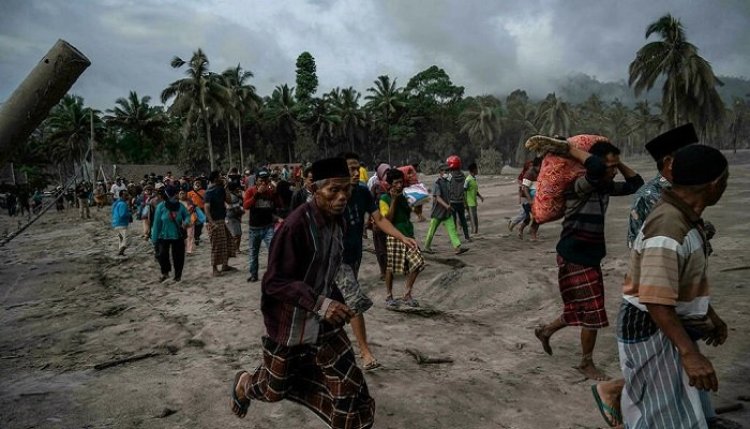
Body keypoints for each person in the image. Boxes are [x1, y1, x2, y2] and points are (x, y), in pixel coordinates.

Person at [230, 157, 375, 428]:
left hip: (323, 322)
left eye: (347, 189)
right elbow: (274, 282)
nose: (342, 197)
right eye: (334, 190)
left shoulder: (338, 222)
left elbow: (332, 266)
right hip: (290, 322)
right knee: (274, 388)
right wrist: (321, 303)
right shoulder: (295, 226)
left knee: (349, 386)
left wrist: (343, 299)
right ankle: (244, 384)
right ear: (315, 189)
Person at [618, 145, 732, 429]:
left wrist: (709, 314)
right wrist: (689, 353)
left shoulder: (683, 218)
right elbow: (655, 299)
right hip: (652, 324)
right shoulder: (669, 228)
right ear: (715, 184)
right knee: (661, 414)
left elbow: (677, 280)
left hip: (666, 321)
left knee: (673, 404)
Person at [534, 139, 643, 380]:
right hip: (574, 253)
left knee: (579, 308)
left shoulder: (604, 186)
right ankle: (586, 363)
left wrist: (616, 162)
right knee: (593, 311)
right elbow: (593, 169)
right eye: (610, 166)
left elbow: (636, 184)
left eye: (616, 167)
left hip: (589, 254)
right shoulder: (579, 185)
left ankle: (545, 331)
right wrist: (570, 150)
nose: (613, 171)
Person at [339, 152, 418, 370]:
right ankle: (365, 352)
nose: (356, 173)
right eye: (350, 169)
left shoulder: (363, 192)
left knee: (339, 302)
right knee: (354, 300)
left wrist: (402, 237)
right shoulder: (332, 194)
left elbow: (379, 219)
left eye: (357, 168)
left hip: (354, 256)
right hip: (335, 259)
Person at [380, 168, 426, 308]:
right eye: (396, 183)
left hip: (408, 234)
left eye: (401, 182)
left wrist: (419, 202)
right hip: (394, 235)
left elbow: (417, 212)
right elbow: (387, 219)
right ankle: (389, 296)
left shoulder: (406, 196)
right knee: (391, 267)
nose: (399, 185)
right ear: (390, 184)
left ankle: (407, 294)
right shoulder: (384, 199)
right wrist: (394, 200)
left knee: (418, 263)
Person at [243, 169, 283, 282]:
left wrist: (275, 193)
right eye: (261, 180)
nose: (264, 183)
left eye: (266, 180)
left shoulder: (271, 192)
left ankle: (274, 274)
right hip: (254, 228)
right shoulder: (251, 191)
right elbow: (246, 205)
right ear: (256, 181)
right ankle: (253, 274)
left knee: (274, 250)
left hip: (268, 226)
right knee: (253, 253)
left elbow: (280, 205)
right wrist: (257, 194)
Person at [423, 164, 468, 255]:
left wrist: (449, 205)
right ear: (440, 172)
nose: (447, 173)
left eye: (448, 171)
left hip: (447, 212)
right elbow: (437, 198)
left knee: (452, 229)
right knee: (432, 230)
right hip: (438, 211)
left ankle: (457, 247)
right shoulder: (437, 183)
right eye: (445, 171)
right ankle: (426, 247)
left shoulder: (448, 182)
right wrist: (447, 206)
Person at [151, 186, 190, 282]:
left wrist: (185, 222)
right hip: (163, 235)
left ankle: (178, 276)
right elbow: (156, 224)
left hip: (178, 235)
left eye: (176, 194)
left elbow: (187, 216)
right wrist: (154, 239)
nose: (176, 196)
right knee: (162, 255)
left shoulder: (180, 206)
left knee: (179, 256)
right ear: (168, 196)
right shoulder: (161, 207)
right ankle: (165, 273)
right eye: (173, 195)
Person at [204, 171, 234, 276]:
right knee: (216, 245)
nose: (222, 178)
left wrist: (226, 187)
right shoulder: (209, 192)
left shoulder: (220, 189)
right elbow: (206, 209)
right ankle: (214, 269)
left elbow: (229, 201)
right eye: (220, 177)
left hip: (221, 219)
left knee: (228, 241)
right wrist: (212, 223)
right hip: (214, 221)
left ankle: (225, 265)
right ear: (216, 179)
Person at [516, 157, 542, 241]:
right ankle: (532, 233)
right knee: (535, 216)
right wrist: (530, 200)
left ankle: (523, 229)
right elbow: (525, 188)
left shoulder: (539, 172)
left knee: (531, 217)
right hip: (527, 199)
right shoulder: (529, 173)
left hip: (534, 198)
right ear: (537, 165)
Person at [446, 155, 471, 241]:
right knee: (463, 220)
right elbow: (465, 190)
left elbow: (447, 188)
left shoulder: (449, 176)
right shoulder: (463, 176)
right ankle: (467, 237)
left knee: (453, 221)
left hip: (452, 202)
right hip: (461, 202)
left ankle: (454, 238)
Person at [464, 162, 484, 235]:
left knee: (475, 218)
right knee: (473, 219)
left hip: (474, 202)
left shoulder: (474, 179)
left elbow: (475, 190)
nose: (478, 170)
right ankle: (474, 233)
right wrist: (465, 202)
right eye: (477, 169)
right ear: (474, 170)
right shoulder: (468, 179)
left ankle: (475, 232)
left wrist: (480, 196)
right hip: (470, 202)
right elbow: (464, 191)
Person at [226, 182, 244, 257]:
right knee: (237, 234)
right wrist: (241, 212)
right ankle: (236, 249)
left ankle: (234, 249)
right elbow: (236, 209)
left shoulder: (229, 195)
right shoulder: (233, 197)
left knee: (234, 234)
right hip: (233, 217)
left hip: (229, 217)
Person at [111, 189, 132, 256]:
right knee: (128, 238)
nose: (127, 196)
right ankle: (121, 250)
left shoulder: (116, 203)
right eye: (126, 195)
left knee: (121, 238)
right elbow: (122, 214)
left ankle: (121, 252)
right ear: (122, 196)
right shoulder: (122, 204)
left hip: (116, 223)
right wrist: (129, 214)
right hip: (121, 224)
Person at [187, 180, 206, 246]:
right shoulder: (190, 193)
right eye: (196, 183)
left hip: (202, 209)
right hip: (193, 210)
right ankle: (195, 236)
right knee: (194, 223)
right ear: (193, 185)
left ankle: (197, 235)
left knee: (200, 224)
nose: (197, 184)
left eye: (198, 183)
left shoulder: (204, 192)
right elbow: (187, 201)